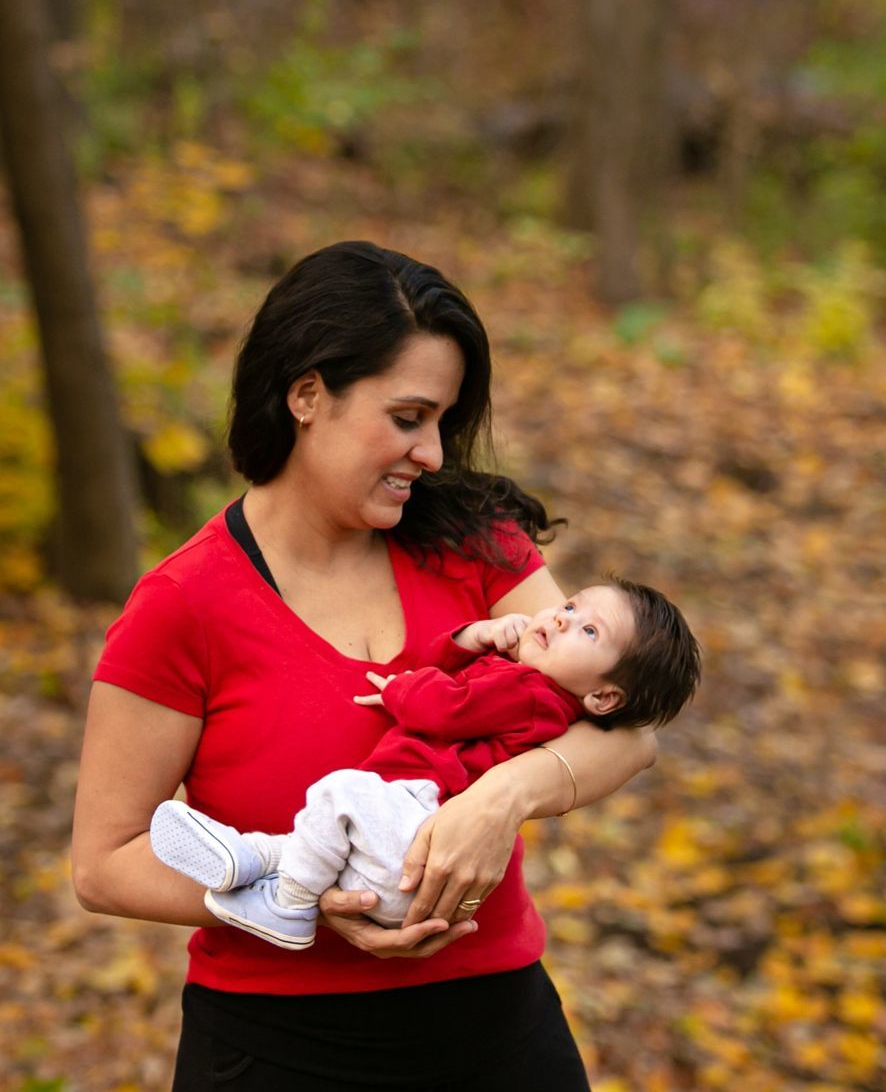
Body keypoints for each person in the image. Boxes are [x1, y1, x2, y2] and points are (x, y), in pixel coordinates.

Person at [71, 242, 661, 1090]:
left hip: (497, 1035)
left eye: (443, 424)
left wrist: (501, 801)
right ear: (307, 394)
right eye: (408, 416)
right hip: (279, 1052)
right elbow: (104, 861)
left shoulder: (474, 543)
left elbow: (629, 731)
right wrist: (298, 899)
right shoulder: (184, 605)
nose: (431, 453)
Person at [149, 581, 701, 950]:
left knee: (339, 793)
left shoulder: (530, 694)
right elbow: (453, 676)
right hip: (402, 847)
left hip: (413, 837)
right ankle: (254, 858)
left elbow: (445, 707)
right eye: (572, 605)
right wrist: (473, 637)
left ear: (603, 700)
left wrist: (400, 691)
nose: (561, 618)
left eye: (588, 631)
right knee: (328, 822)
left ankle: (289, 906)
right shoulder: (523, 681)